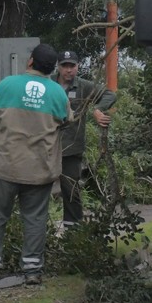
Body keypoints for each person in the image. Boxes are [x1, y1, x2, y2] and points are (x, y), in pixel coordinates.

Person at [0, 43, 72, 284]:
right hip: (39, 171)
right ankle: (32, 270)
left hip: (5, 167)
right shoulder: (58, 93)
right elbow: (66, 120)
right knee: (35, 219)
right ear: (53, 69)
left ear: (30, 62)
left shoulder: (7, 84)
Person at [51, 50, 117, 228]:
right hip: (46, 146)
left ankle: (73, 233)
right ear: (58, 66)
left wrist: (98, 109)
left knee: (71, 191)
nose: (68, 70)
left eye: (72, 66)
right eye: (65, 66)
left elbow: (109, 94)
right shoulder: (48, 84)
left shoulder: (83, 86)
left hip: (71, 148)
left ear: (78, 66)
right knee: (37, 188)